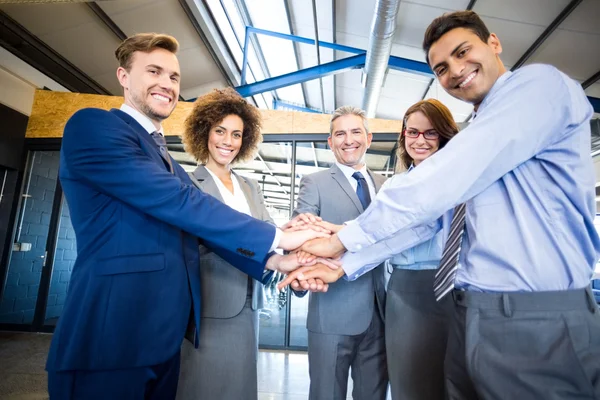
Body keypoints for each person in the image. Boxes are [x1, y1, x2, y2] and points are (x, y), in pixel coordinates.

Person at [282, 10, 600, 400]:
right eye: (442, 68)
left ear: (494, 43)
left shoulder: (539, 87)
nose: (456, 71)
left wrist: (342, 239)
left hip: (537, 315)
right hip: (471, 311)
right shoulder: (475, 144)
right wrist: (344, 261)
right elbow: (426, 224)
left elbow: (439, 183)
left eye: (464, 52)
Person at [46, 33, 325, 400]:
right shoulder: (94, 127)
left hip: (163, 340)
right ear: (124, 76)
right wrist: (279, 238)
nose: (167, 84)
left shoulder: (165, 161)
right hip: (110, 336)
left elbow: (203, 232)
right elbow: (183, 203)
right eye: (154, 71)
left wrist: (279, 260)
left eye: (174, 77)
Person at [175, 88, 275, 400]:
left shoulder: (251, 186)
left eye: (236, 134)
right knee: (203, 386)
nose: (227, 142)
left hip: (250, 303)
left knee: (241, 388)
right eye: (220, 131)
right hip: (210, 305)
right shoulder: (188, 185)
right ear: (204, 132)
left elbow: (269, 231)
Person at [293, 105, 388, 400]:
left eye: (356, 132)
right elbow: (300, 235)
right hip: (332, 312)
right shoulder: (315, 183)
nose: (349, 140)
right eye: (340, 134)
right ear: (330, 142)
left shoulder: (387, 186)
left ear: (369, 138)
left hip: (382, 313)